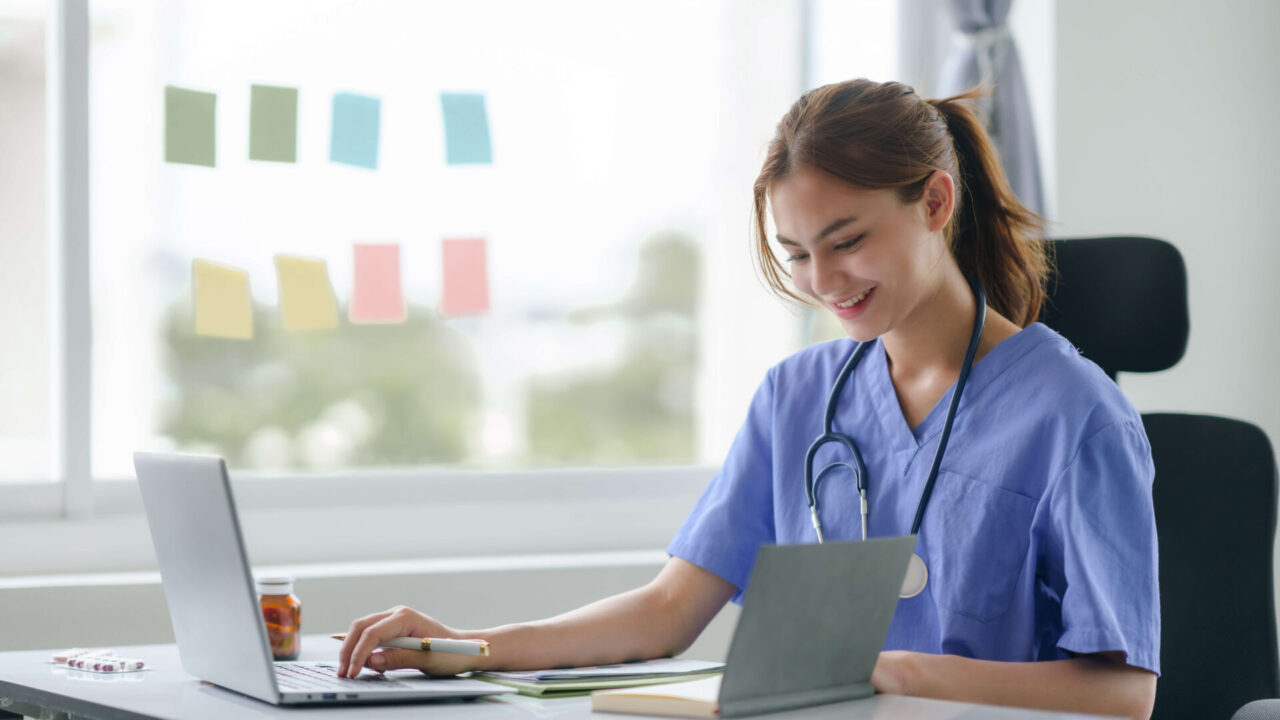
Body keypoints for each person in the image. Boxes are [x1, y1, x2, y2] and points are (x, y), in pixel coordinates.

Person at [337, 79, 1160, 720]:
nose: (823, 282)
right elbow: (665, 612)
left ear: (936, 203)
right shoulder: (798, 395)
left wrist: (891, 674)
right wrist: (466, 649)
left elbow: (1125, 697)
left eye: (848, 241)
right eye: (797, 253)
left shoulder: (1072, 414)